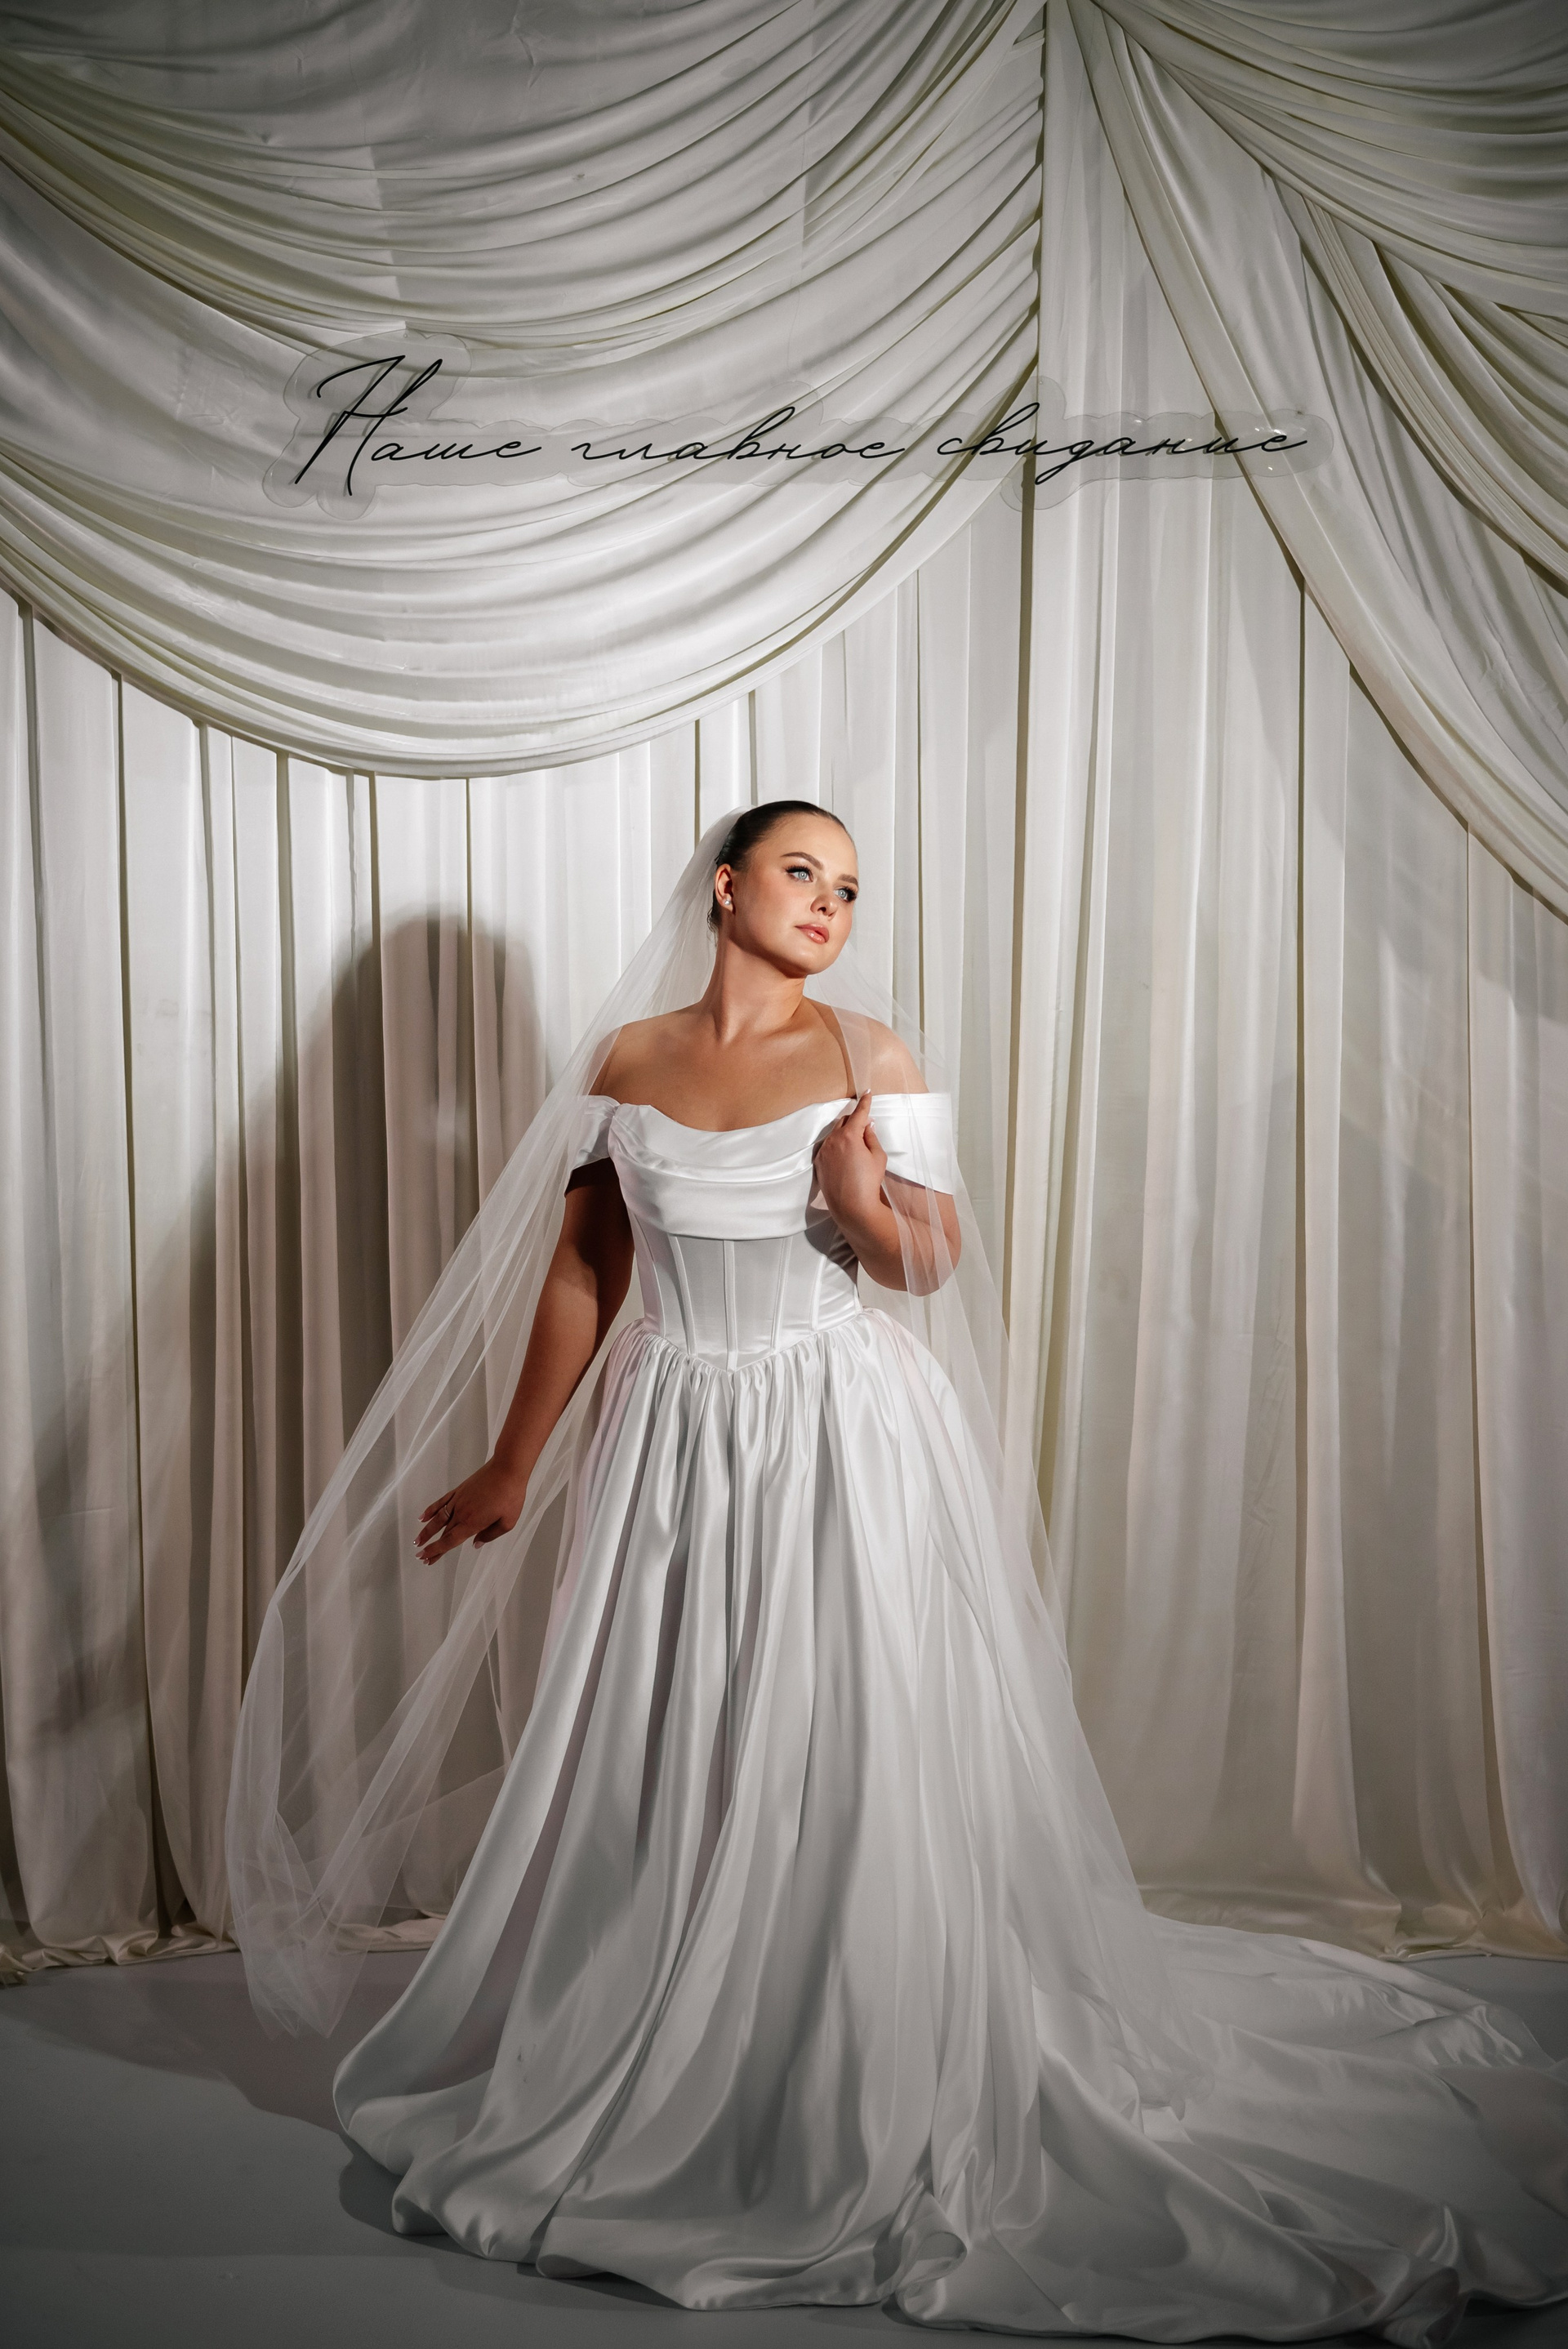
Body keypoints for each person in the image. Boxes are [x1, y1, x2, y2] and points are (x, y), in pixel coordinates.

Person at [231, 801, 1568, 2342]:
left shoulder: (870, 1053)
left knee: (848, 1735)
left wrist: (860, 1195)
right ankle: (668, 2014)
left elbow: (930, 1263)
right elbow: (587, 1269)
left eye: (851, 890)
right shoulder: (626, 1064)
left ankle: (842, 2046)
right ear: (725, 886)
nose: (830, 905)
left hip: (835, 1429)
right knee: (681, 1727)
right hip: (672, 1438)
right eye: (803, 873)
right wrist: (516, 1459)